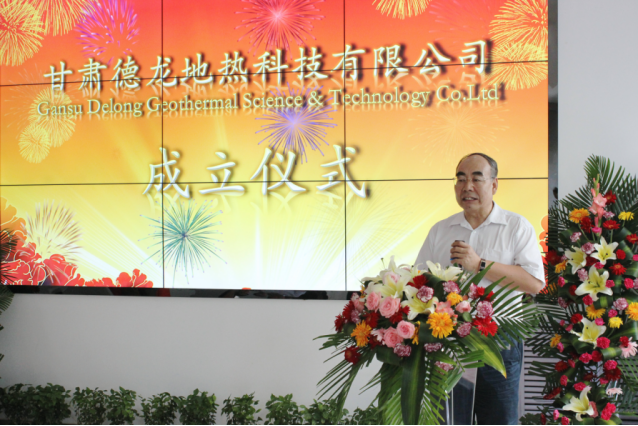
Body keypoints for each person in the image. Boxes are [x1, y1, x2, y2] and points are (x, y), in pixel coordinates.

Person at [415, 153, 545, 425]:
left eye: (476, 179)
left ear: (494, 184)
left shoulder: (516, 226)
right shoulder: (441, 230)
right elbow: (419, 282)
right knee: (447, 419)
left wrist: (480, 265)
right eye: (461, 179)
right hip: (449, 342)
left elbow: (534, 282)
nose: (467, 187)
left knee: (498, 419)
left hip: (499, 340)